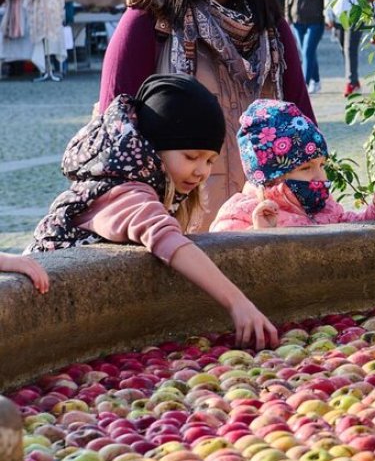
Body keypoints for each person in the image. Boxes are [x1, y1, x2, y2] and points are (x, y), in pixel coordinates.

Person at [99, 0, 314, 230]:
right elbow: (115, 137)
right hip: (179, 233)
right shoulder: (148, 22)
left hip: (266, 228)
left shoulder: (271, 29)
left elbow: (305, 132)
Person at [29, 74, 279, 347]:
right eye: (191, 157)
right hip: (46, 308)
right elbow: (165, 237)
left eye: (210, 161)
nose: (201, 171)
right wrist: (237, 302)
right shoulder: (121, 191)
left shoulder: (154, 181)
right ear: (154, 146)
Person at [213, 100, 375, 230]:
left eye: (322, 165)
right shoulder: (242, 212)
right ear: (270, 177)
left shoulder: (323, 204)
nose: (320, 177)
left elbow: (351, 227)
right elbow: (223, 257)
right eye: (306, 168)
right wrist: (258, 233)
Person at [286, 0, 330, 94]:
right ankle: (316, 81)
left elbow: (327, 0)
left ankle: (303, 85)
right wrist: (287, 15)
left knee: (307, 52)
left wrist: (328, 17)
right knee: (308, 52)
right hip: (297, 20)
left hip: (315, 21)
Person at [324, 0, 362, 96]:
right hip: (339, 18)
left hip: (355, 17)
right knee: (344, 50)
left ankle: (350, 82)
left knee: (350, 49)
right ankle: (355, 80)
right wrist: (328, 15)